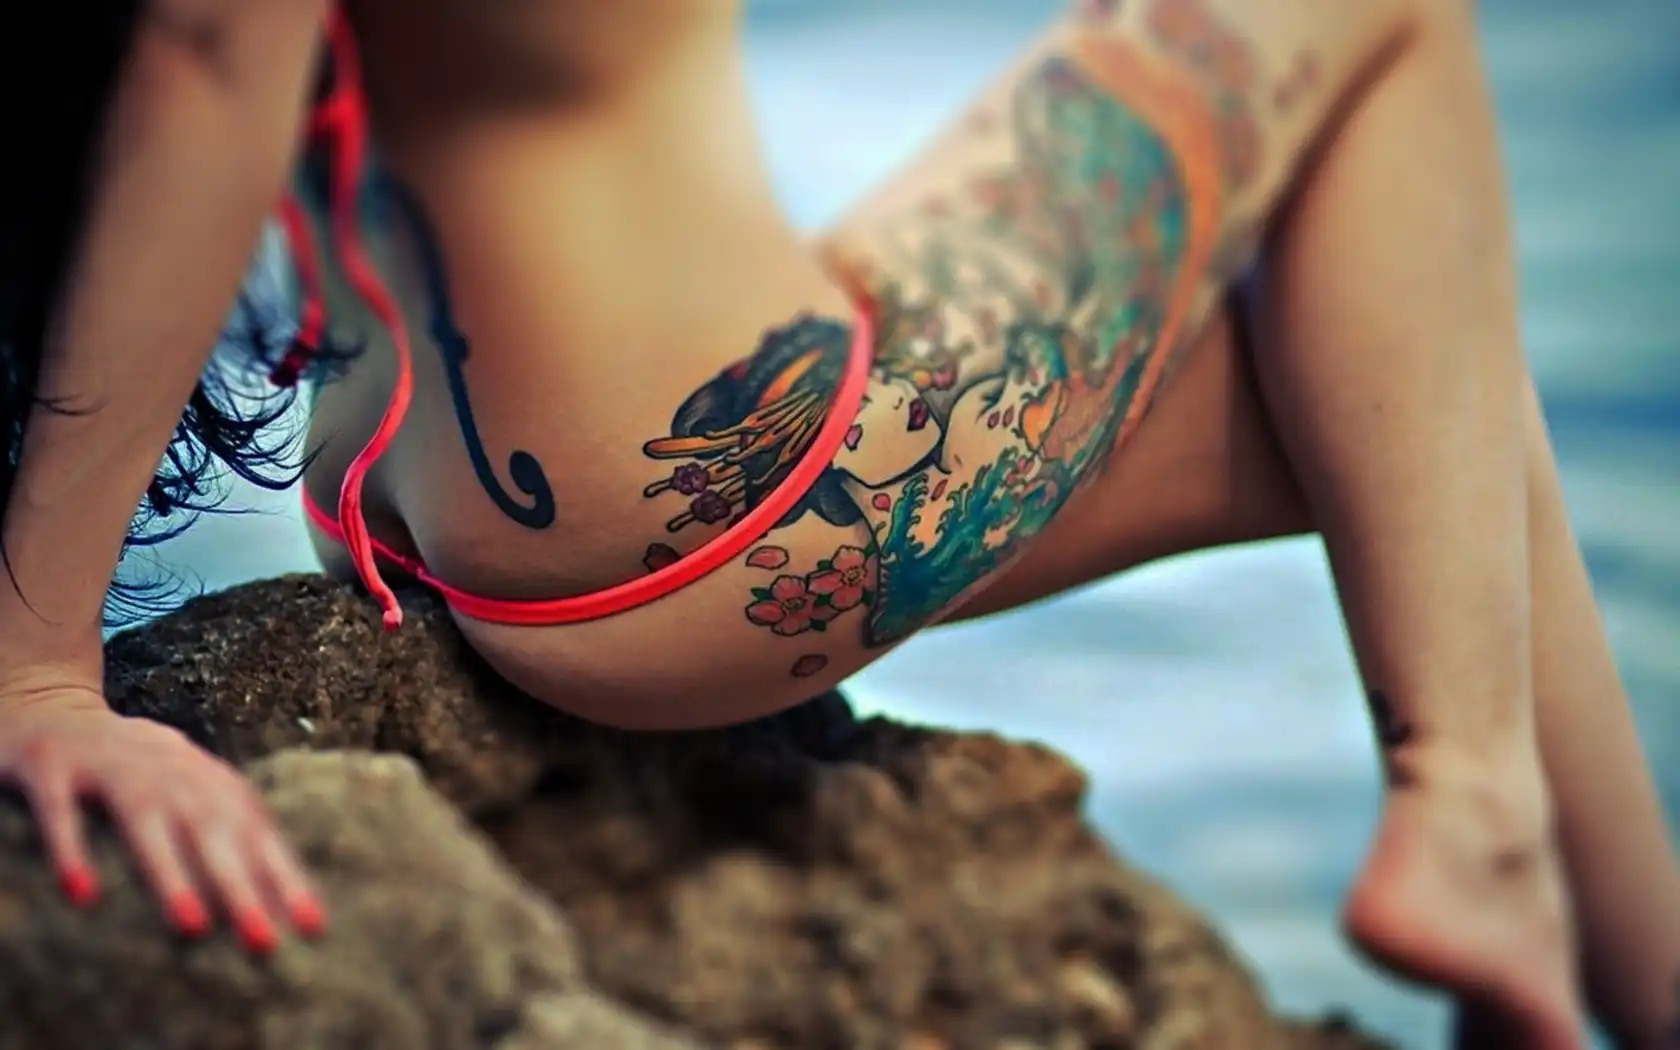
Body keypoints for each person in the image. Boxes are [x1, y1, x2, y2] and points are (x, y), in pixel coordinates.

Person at [0, 0, 1674, 1047]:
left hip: (397, 503)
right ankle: (1474, 811)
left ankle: (1615, 970)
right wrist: (40, 670)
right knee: (1390, 18)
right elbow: (207, 47)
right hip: (727, 513)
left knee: (1411, 377)